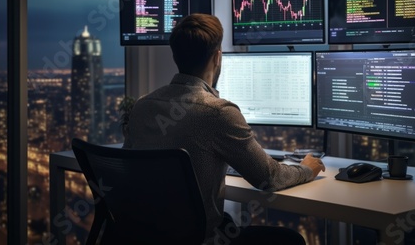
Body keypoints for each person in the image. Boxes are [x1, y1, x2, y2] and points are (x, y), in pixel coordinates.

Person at [124, 13, 325, 244]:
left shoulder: (142, 106)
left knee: (229, 220)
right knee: (291, 240)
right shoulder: (218, 112)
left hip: (148, 236)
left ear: (175, 55)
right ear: (217, 57)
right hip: (203, 238)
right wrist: (306, 169)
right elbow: (268, 178)